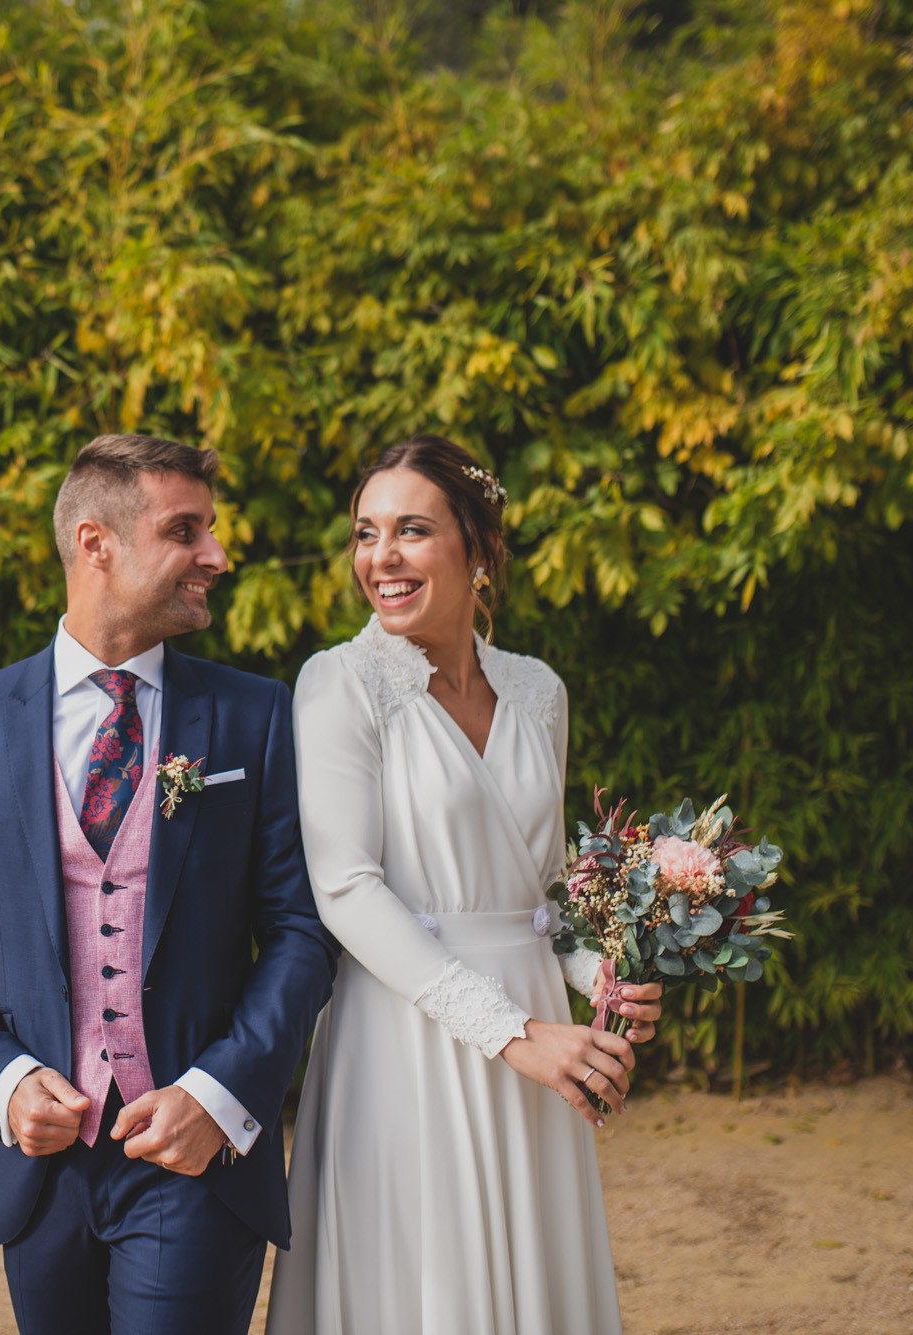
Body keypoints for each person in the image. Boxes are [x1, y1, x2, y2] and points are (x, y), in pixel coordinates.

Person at [0, 433, 339, 1335]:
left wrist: (219, 1091)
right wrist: (5, 1077)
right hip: (40, 1163)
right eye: (186, 531)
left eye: (211, 531)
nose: (217, 556)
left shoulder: (253, 714)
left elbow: (298, 928)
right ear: (96, 543)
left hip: (195, 1158)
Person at [266, 435, 665, 1335]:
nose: (382, 557)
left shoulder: (538, 690)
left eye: (411, 529)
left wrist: (601, 978)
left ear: (478, 550)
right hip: (405, 1029)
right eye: (366, 533)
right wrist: (516, 1035)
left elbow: (547, 889)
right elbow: (347, 888)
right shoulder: (340, 683)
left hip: (538, 1034)